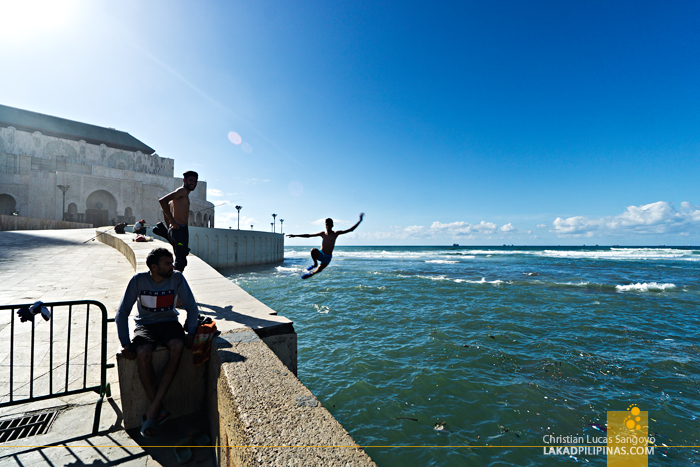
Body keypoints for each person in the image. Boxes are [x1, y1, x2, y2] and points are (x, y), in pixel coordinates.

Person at [115, 248, 199, 438]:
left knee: (177, 346)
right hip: (146, 325)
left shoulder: (177, 278)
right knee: (143, 352)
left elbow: (192, 308)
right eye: (167, 264)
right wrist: (126, 343)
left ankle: (153, 411)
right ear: (154, 267)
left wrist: (192, 332)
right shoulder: (138, 281)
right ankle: (158, 409)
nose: (172, 266)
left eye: (172, 263)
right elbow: (121, 313)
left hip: (170, 323)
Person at [287, 213, 364, 279]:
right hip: (320, 253)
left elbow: (350, 230)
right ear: (325, 225)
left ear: (332, 225)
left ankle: (310, 274)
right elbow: (309, 235)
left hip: (327, 257)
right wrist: (295, 235)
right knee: (313, 250)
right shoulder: (322, 233)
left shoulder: (335, 233)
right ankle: (315, 263)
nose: (328, 226)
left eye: (329, 225)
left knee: (319, 269)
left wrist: (359, 221)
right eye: (326, 225)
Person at [153, 171, 198, 272]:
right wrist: (172, 222)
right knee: (180, 262)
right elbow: (162, 201)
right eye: (191, 180)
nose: (193, 183)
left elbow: (165, 210)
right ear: (184, 180)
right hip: (180, 231)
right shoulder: (182, 191)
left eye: (195, 181)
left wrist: (169, 226)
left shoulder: (178, 197)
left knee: (181, 260)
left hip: (176, 231)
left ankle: (174, 282)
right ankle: (175, 284)